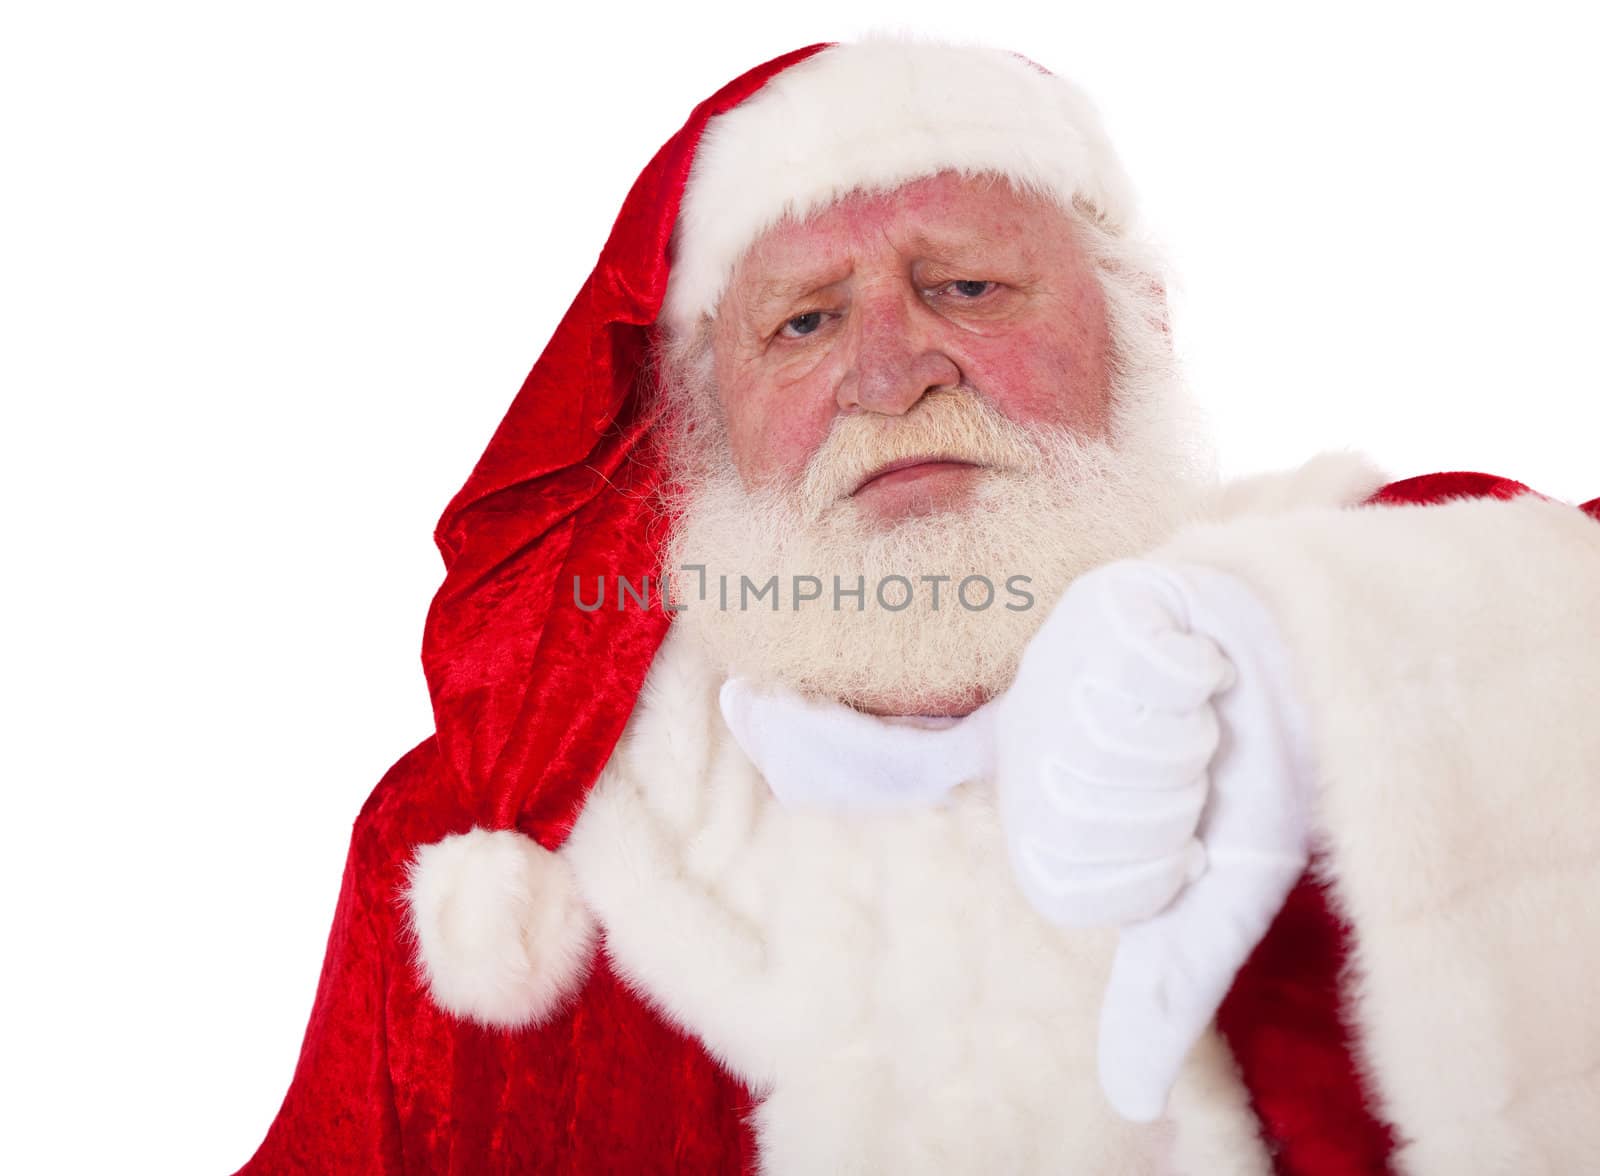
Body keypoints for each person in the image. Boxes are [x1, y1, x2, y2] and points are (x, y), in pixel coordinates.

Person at [236, 35, 1600, 1175]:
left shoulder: (1364, 639)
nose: (892, 375)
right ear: (701, 428)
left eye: (967, 287)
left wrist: (1315, 656)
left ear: (1135, 338)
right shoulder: (490, 839)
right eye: (804, 322)